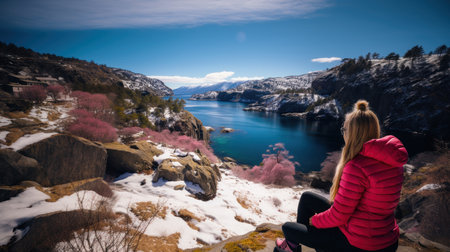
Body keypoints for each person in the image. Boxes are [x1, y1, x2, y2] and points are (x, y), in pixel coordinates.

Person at [275, 100, 408, 252]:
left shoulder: (357, 166)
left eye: (344, 129)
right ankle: (295, 245)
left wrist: (315, 222)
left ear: (352, 133)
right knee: (307, 197)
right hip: (386, 239)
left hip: (360, 244)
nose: (343, 133)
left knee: (288, 229)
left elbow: (339, 216)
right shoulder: (393, 162)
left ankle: (293, 245)